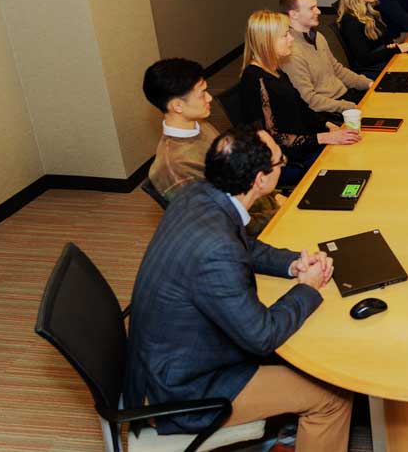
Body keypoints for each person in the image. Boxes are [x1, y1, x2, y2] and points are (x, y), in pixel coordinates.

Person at [124, 125, 353, 451]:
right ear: (261, 180)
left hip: (164, 355)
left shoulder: (198, 193)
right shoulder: (217, 251)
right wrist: (308, 288)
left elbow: (244, 244)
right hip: (184, 390)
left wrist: (292, 264)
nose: (283, 165)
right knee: (332, 398)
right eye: (280, 161)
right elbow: (262, 336)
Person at [143, 57, 280, 236]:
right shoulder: (173, 167)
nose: (209, 97)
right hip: (252, 232)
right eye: (202, 94)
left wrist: (276, 196)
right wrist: (277, 213)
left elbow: (245, 170)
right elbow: (223, 222)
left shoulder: (200, 125)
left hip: (263, 204)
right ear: (177, 106)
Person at [239, 11, 360, 178]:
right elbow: (274, 137)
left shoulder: (276, 70)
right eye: (285, 35)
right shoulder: (254, 79)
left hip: (306, 142)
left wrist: (328, 125)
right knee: (352, 161)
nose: (291, 39)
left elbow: (302, 107)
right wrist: (322, 138)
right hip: (287, 159)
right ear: (267, 41)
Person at [278, 0, 371, 116]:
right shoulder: (290, 52)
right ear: (294, 14)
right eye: (311, 8)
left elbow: (337, 70)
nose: (319, 11)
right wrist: (350, 107)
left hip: (345, 97)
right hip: (331, 109)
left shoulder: (317, 36)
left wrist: (369, 83)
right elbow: (310, 100)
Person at [338, 0, 408, 80]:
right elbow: (364, 59)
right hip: (371, 72)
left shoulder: (370, 11)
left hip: (381, 61)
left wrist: (391, 46)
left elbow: (385, 39)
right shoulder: (350, 20)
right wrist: (396, 49)